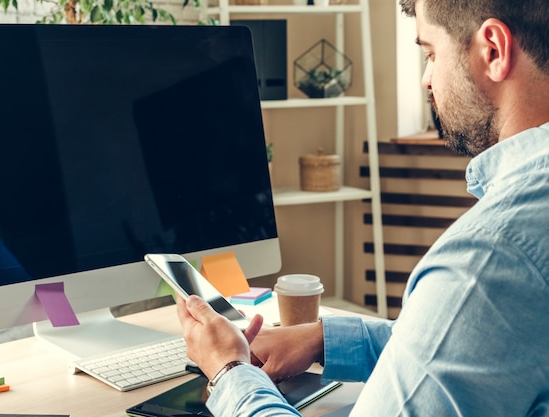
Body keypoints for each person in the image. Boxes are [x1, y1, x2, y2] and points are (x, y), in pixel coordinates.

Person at [176, 0, 549, 415]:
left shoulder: (486, 262)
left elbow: (471, 319)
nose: (427, 79)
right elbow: (476, 350)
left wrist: (228, 369)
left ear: (493, 50)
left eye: (430, 53)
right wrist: (320, 339)